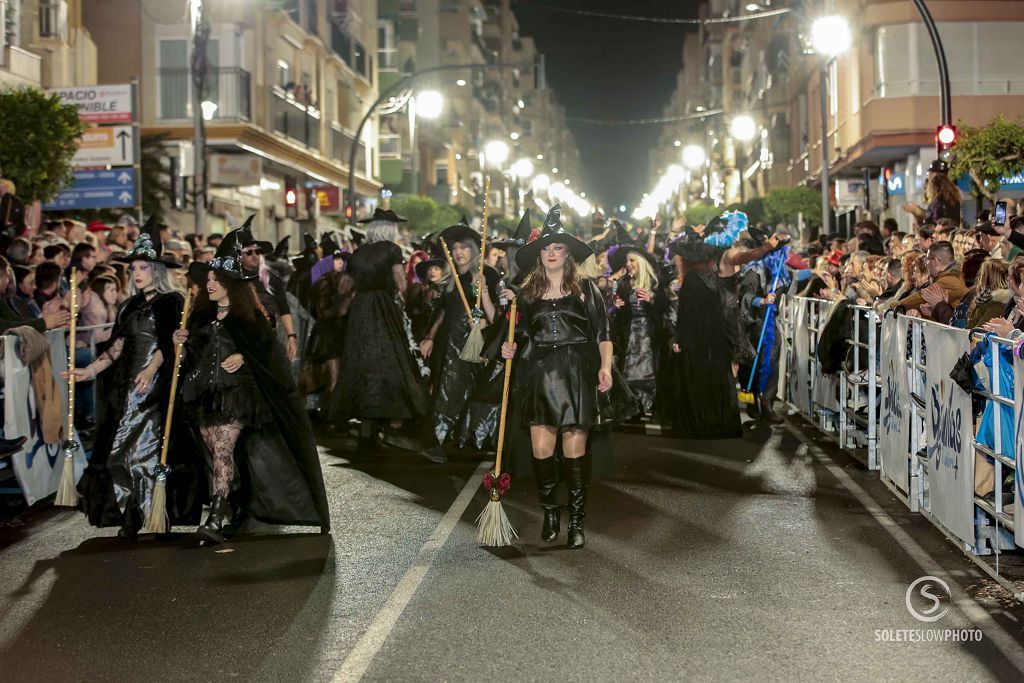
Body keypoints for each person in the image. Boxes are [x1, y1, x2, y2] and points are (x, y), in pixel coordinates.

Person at [178, 239, 330, 543]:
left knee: (222, 449)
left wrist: (243, 356)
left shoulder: (248, 316)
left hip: (239, 395)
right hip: (205, 396)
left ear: (230, 285)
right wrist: (178, 343)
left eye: (216, 280)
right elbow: (189, 357)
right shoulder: (199, 317)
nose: (210, 284)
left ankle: (214, 520)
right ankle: (236, 507)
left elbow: (268, 353)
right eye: (208, 279)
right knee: (218, 455)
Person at [68, 225, 197, 539]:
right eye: (134, 268)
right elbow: (117, 347)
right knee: (117, 454)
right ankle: (130, 510)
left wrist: (152, 369)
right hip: (127, 390)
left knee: (147, 453)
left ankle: (147, 513)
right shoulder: (128, 306)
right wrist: (89, 371)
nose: (137, 273)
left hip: (155, 389)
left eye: (143, 268)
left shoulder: (172, 301)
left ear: (156, 270)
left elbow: (171, 344)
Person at [501, 204, 615, 549]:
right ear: (539, 254)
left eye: (558, 247)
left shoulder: (586, 289)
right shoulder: (527, 292)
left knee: (574, 449)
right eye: (546, 248)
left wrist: (605, 366)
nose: (551, 253)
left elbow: (603, 333)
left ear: (568, 253)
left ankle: (576, 521)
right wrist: (508, 348)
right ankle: (551, 512)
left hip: (576, 372)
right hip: (538, 373)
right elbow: (518, 336)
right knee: (541, 449)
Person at [328, 209, 430, 450]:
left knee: (361, 365)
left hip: (360, 311)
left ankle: (366, 431)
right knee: (391, 364)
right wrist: (399, 297)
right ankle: (388, 427)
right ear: (389, 229)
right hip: (384, 309)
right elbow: (400, 281)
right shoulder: (392, 250)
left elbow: (344, 287)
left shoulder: (357, 253)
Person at [422, 217, 499, 460]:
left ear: (474, 249)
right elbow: (442, 311)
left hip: (474, 343)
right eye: (454, 248)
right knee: (446, 390)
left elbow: (498, 313)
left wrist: (484, 322)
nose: (458, 252)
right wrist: (430, 337)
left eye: (463, 247)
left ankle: (450, 443)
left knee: (459, 391)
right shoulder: (451, 279)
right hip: (448, 343)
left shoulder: (488, 275)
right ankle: (442, 443)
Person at [670, 229, 743, 439]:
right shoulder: (712, 278)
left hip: (696, 340)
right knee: (717, 379)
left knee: (696, 381)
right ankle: (721, 423)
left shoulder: (691, 280)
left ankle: (701, 424)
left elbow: (687, 314)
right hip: (716, 339)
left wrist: (680, 338)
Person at [609, 245, 668, 417]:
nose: (628, 264)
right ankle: (632, 406)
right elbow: (616, 313)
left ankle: (649, 403)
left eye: (632, 260)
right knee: (628, 370)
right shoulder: (623, 283)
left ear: (641, 263)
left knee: (649, 370)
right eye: (627, 261)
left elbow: (664, 308)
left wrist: (651, 300)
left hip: (649, 335)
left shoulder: (655, 283)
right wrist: (615, 307)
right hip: (629, 334)